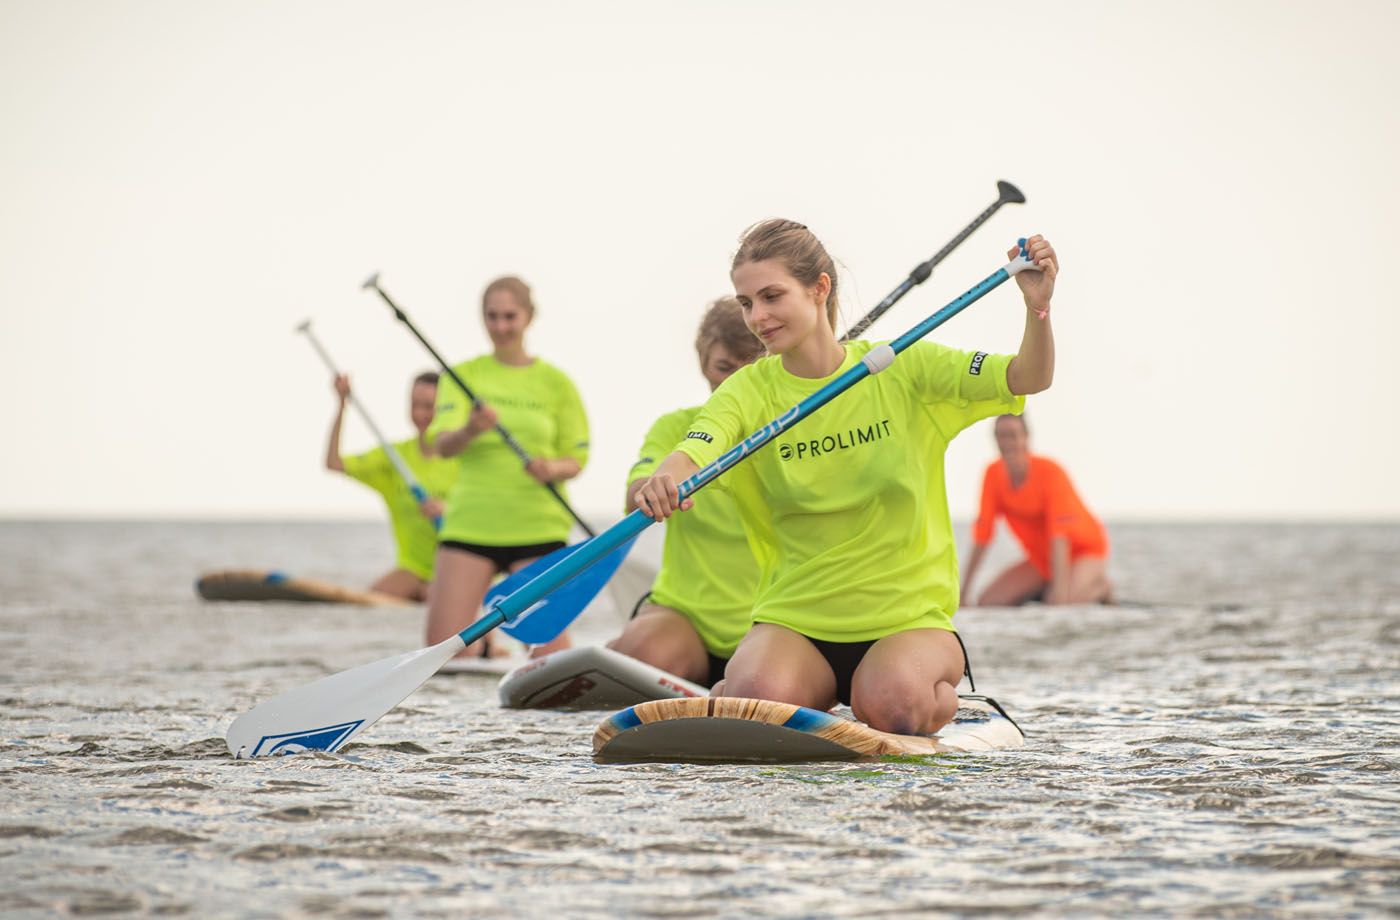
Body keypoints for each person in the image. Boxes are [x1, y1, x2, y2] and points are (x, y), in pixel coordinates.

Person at [633, 220, 1057, 736]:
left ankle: (939, 699)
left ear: (819, 288)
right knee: (753, 705)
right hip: (795, 621)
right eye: (746, 303)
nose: (757, 317)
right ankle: (748, 689)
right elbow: (695, 449)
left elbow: (1028, 376)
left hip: (905, 621)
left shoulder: (904, 367)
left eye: (771, 297)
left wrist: (1037, 308)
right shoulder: (745, 392)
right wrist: (665, 479)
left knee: (894, 706)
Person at [425, 275, 590, 659]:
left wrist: (551, 468)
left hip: (538, 527)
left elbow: (576, 458)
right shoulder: (462, 375)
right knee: (444, 658)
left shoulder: (557, 383)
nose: (501, 326)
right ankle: (487, 651)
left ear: (529, 316)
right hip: (471, 525)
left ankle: (495, 653)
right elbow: (442, 446)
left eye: (510, 316)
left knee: (549, 660)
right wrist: (470, 429)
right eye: (492, 316)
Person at [606, 297, 766, 687]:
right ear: (702, 361)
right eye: (723, 368)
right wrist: (651, 490)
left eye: (748, 370)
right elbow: (634, 493)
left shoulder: (796, 426)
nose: (733, 384)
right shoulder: (674, 427)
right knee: (637, 655)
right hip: (685, 617)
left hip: (775, 620)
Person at [325, 371, 457, 601]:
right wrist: (342, 406)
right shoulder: (394, 458)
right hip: (412, 569)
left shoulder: (464, 457)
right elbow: (334, 463)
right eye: (414, 405)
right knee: (367, 603)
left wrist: (449, 509)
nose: (419, 414)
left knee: (441, 596)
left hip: (458, 566)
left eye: (428, 406)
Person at [960, 414, 1113, 607]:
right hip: (1042, 559)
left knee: (1062, 601)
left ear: (1026, 437)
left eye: (1013, 435)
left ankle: (1102, 587)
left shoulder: (1050, 471)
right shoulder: (992, 473)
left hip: (1083, 552)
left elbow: (1059, 537)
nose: (1006, 442)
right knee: (988, 602)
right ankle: (1044, 590)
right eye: (1001, 435)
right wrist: (963, 593)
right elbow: (982, 535)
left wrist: (1059, 593)